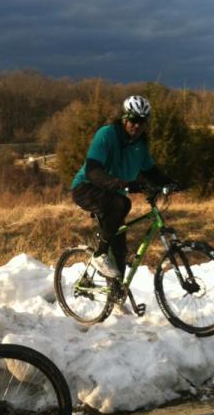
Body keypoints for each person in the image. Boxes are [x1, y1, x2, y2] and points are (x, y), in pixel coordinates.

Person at [71, 95, 176, 279]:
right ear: (124, 118)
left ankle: (116, 297)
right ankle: (100, 254)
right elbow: (93, 171)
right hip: (86, 188)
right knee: (123, 203)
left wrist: (170, 182)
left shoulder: (140, 144)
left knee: (120, 250)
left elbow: (151, 171)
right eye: (134, 120)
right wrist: (123, 184)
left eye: (142, 122)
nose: (137, 126)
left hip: (112, 196)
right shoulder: (107, 135)